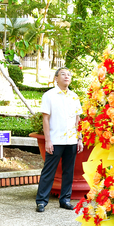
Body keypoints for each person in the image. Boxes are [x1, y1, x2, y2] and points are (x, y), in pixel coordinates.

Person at [35, 67, 83, 212]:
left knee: (69, 171)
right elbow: (45, 119)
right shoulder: (49, 95)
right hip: (55, 140)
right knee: (49, 171)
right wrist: (48, 140)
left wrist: (79, 138)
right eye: (63, 74)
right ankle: (42, 201)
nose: (66, 76)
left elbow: (77, 119)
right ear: (56, 78)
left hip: (71, 141)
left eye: (69, 74)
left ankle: (65, 200)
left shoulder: (74, 96)